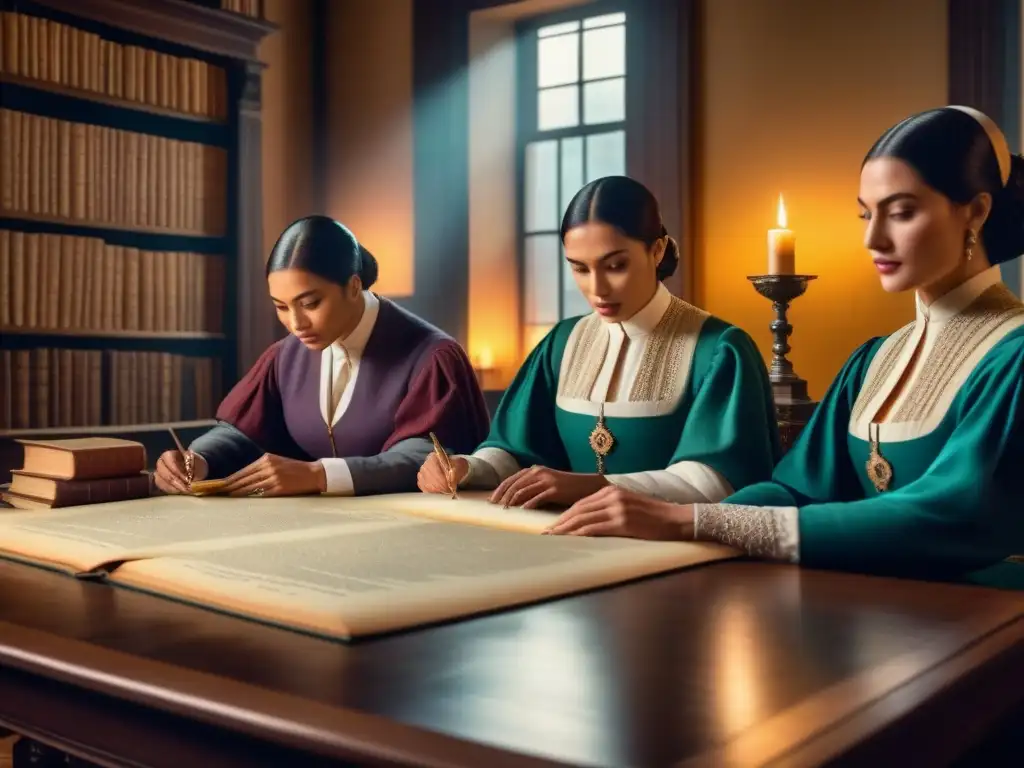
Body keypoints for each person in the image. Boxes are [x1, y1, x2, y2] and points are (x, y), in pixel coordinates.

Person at [544, 107, 1024, 590]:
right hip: (875, 607)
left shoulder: (1014, 355)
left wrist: (691, 522)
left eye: (901, 212)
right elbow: (796, 489)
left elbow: (950, 513)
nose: (872, 238)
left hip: (991, 620)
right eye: (865, 213)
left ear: (977, 211)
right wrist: (672, 523)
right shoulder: (874, 360)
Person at [418, 176, 782, 509]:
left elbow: (720, 481)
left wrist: (591, 486)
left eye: (615, 265)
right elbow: (516, 449)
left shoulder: (719, 350)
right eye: (579, 268)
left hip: (677, 555)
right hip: (567, 543)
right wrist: (467, 468)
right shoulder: (561, 343)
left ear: (656, 251)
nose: (597, 289)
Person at [154, 215, 490, 497]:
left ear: (354, 286)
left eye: (310, 304)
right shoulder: (285, 356)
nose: (296, 324)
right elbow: (243, 432)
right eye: (281, 307)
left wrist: (319, 475)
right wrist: (199, 458)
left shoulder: (432, 356)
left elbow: (424, 457)